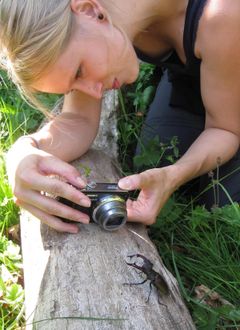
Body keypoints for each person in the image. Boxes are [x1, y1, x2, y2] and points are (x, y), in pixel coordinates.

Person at [1, 0, 240, 234]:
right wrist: (23, 152)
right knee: (153, 165)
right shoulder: (98, 18)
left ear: (89, 9)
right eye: (73, 86)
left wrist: (175, 175)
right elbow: (79, 119)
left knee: (222, 205)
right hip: (192, 78)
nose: (95, 93)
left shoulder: (222, 13)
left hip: (228, 50)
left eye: (79, 71)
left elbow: (225, 129)